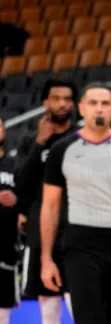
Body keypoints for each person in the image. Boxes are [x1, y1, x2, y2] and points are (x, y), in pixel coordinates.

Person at [39, 83, 111, 324]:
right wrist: (46, 259)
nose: (99, 109)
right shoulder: (62, 150)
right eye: (93, 103)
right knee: (88, 318)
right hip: (80, 245)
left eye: (105, 103)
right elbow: (50, 206)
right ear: (81, 108)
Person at [14, 78, 76, 323]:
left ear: (74, 104)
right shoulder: (30, 142)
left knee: (80, 302)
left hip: (75, 232)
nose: (62, 104)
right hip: (41, 234)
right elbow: (21, 183)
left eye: (67, 99)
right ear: (45, 102)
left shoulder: (80, 137)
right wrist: (40, 143)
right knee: (46, 306)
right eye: (56, 98)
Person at [0, 119, 20, 324]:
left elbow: (26, 197)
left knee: (3, 307)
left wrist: (17, 202)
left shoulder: (14, 165)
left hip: (6, 246)